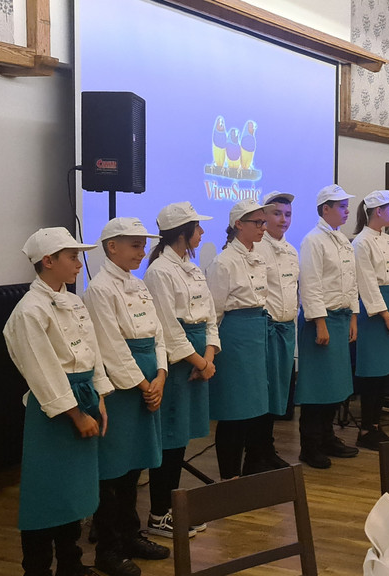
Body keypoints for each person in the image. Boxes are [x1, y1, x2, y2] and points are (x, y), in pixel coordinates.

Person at [3, 227, 112, 576]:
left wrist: (100, 397)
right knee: (46, 494)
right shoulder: (29, 311)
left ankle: (70, 562)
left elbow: (93, 352)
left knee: (73, 493)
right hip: (55, 411)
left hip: (84, 398)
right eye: (73, 257)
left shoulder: (75, 301)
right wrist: (77, 415)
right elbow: (43, 372)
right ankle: (37, 568)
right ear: (48, 261)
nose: (79, 264)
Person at [83, 218, 172, 576]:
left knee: (134, 465)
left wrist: (161, 374)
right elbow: (111, 346)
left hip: (148, 382)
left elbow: (158, 334)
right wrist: (143, 384)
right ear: (111, 247)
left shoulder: (139, 284)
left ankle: (131, 535)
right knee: (113, 471)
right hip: (122, 389)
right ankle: (109, 549)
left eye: (142, 245)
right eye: (135, 245)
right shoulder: (99, 289)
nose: (142, 251)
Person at [142, 202, 218, 539]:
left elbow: (210, 315)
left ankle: (169, 509)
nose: (201, 232)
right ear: (181, 232)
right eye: (196, 227)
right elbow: (170, 329)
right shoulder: (159, 271)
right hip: (179, 363)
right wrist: (199, 362)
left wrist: (209, 355)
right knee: (170, 438)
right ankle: (159, 513)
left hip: (198, 357)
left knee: (181, 438)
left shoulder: (191, 266)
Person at [207, 199, 273, 479]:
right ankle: (229, 476)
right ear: (238, 225)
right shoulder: (223, 262)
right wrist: (214, 349)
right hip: (234, 336)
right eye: (257, 222)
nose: (263, 228)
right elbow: (214, 311)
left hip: (256, 332)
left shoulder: (258, 256)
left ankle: (251, 468)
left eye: (263, 222)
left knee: (254, 408)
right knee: (234, 409)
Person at [296, 184, 360, 468]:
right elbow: (310, 285)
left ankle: (327, 436)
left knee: (335, 385)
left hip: (342, 318)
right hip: (321, 321)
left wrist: (354, 316)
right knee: (317, 386)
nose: (347, 211)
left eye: (347, 206)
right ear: (325, 209)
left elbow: (351, 282)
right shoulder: (313, 240)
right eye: (342, 207)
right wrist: (320, 323)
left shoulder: (343, 240)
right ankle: (310, 445)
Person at [351, 190, 389, 450]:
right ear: (377, 212)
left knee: (385, 372)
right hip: (374, 312)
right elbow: (367, 284)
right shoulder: (361, 242)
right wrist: (385, 316)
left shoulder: (387, 240)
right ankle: (366, 428)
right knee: (372, 372)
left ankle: (376, 425)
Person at [258, 191, 299, 457]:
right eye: (277, 214)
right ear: (263, 216)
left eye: (288, 215)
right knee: (265, 392)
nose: (283, 220)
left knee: (280, 393)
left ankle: (268, 449)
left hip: (286, 330)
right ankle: (260, 451)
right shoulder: (256, 248)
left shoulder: (291, 251)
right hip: (266, 330)